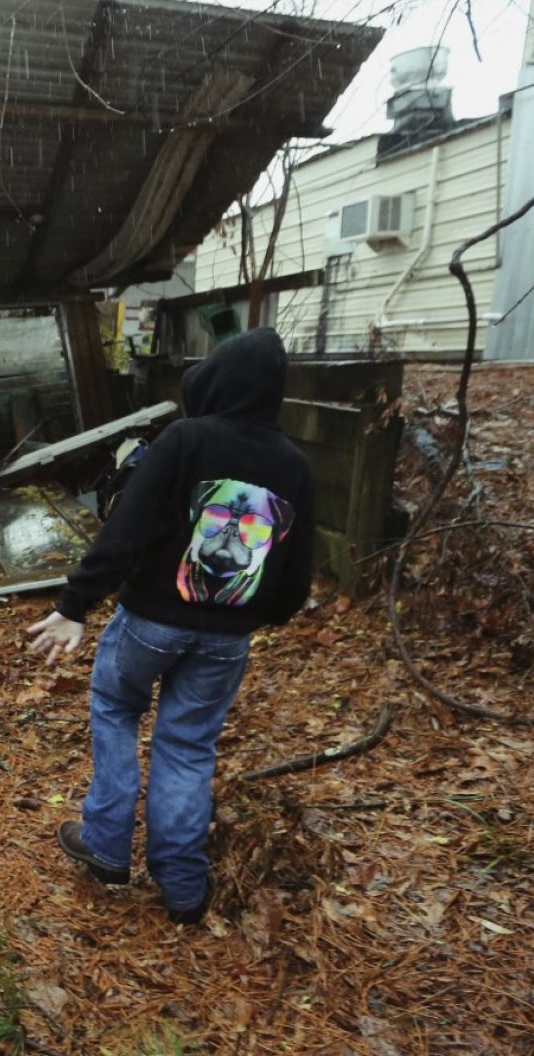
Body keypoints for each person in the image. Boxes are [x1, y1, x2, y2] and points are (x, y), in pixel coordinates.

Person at [26, 327, 315, 924]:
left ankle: (105, 846)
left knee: (114, 708)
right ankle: (183, 886)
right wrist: (259, 615)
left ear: (219, 379)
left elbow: (128, 529)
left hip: (150, 622)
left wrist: (76, 604)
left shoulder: (186, 439)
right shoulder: (295, 467)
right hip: (226, 640)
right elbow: (296, 573)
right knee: (186, 747)